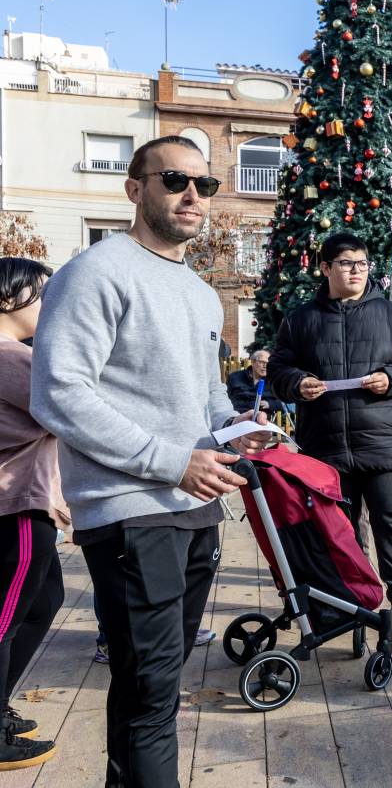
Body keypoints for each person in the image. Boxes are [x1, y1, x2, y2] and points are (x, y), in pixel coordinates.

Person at [30, 135, 271, 787]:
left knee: (151, 690)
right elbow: (58, 393)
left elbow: (208, 397)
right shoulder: (97, 271)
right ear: (135, 189)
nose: (193, 195)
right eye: (174, 180)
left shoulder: (195, 289)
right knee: (152, 694)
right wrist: (173, 460)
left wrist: (237, 428)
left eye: (205, 184)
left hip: (194, 506)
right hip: (132, 511)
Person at [269, 231, 392, 633]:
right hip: (325, 450)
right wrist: (297, 382)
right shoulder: (301, 319)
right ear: (325, 268)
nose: (356, 271)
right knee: (339, 531)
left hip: (385, 446)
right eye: (346, 263)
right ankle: (350, 602)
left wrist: (391, 378)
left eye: (361, 263)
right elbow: (278, 370)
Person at [0, 258, 65, 770]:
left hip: (31, 501)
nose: (51, 306)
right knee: (4, 619)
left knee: (45, 601)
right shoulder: (9, 359)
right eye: (43, 295)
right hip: (15, 509)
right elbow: (68, 410)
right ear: (8, 299)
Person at [226, 349, 287, 414]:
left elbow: (283, 404)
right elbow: (225, 399)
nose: (265, 366)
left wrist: (270, 404)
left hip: (262, 419)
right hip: (237, 417)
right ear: (253, 362)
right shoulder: (235, 377)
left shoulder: (273, 381)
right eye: (262, 362)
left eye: (268, 363)